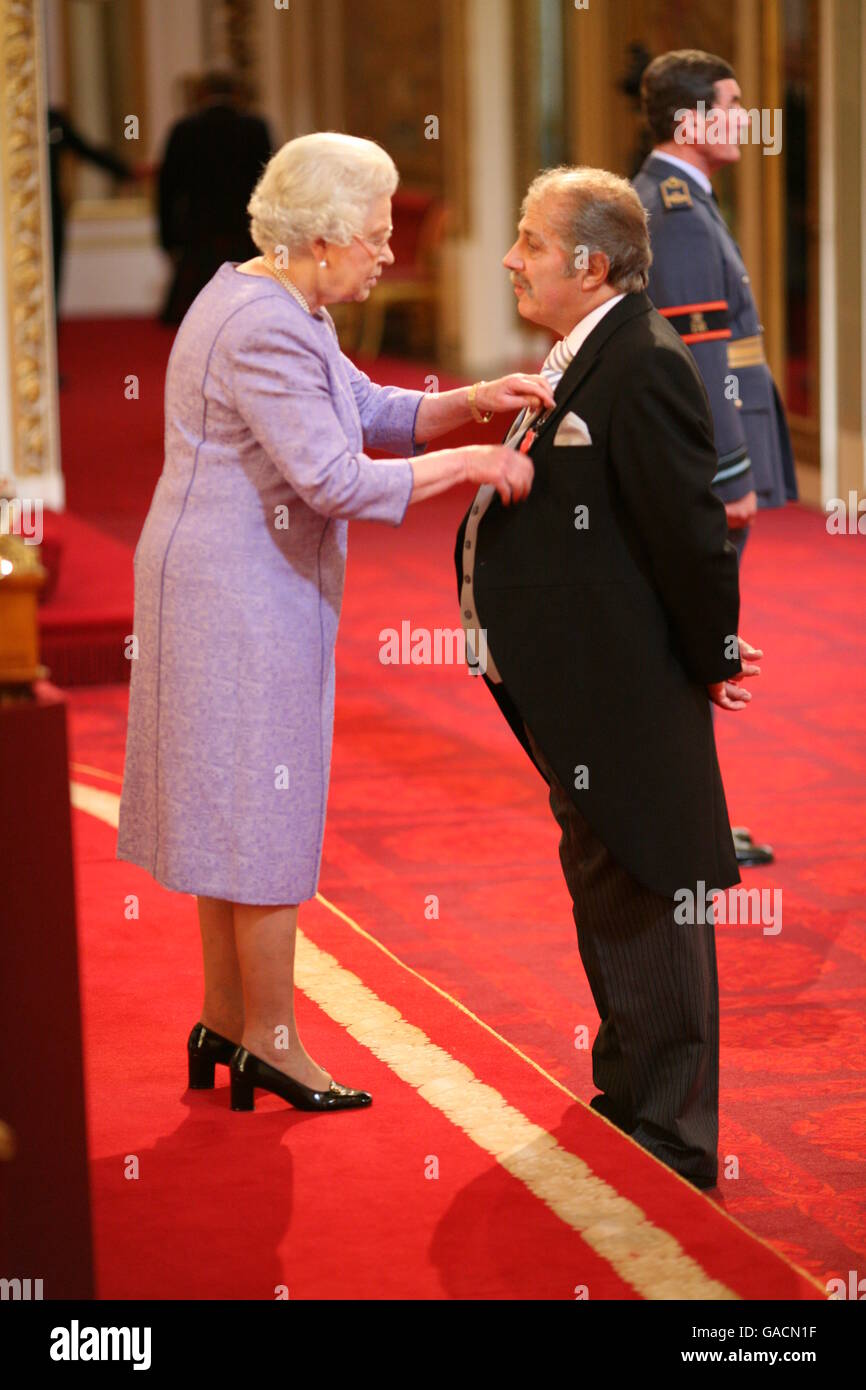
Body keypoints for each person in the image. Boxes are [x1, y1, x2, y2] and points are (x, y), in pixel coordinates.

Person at [117, 132, 552, 1116]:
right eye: (373, 234)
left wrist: (473, 401)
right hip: (236, 593)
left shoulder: (269, 294)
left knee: (231, 807)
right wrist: (475, 464)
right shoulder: (265, 323)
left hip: (225, 578)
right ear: (317, 239)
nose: (387, 250)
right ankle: (270, 1041)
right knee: (261, 813)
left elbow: (357, 407)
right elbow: (332, 476)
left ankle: (225, 1023)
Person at [455, 166, 762, 1188]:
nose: (510, 258)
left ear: (587, 264)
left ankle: (675, 1128)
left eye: (529, 243)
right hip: (583, 678)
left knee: (655, 874)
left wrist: (711, 654)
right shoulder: (588, 350)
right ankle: (630, 1088)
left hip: (628, 678)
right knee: (606, 867)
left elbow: (688, 532)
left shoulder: (640, 363)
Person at [633, 48, 797, 868]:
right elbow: (700, 359)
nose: (746, 118)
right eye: (732, 105)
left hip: (701, 463)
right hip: (706, 469)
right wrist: (731, 479)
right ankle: (687, 823)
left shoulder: (680, 201)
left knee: (695, 641)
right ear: (692, 122)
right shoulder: (676, 212)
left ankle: (693, 815)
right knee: (693, 642)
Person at [156, 71, 273, 325]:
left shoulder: (183, 129)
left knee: (191, 315)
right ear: (237, 93)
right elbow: (270, 182)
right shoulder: (255, 127)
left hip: (197, 234)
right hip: (243, 230)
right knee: (248, 310)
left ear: (201, 93)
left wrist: (167, 237)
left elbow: (167, 189)